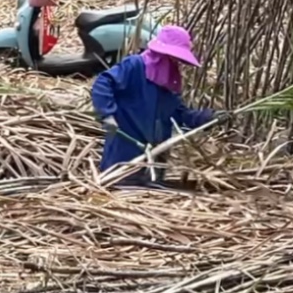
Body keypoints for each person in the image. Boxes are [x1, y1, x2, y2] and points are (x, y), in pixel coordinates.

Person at [90, 24, 218, 185]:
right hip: (125, 153)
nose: (174, 61)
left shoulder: (168, 83)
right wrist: (107, 114)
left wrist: (207, 118)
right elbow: (103, 83)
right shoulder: (134, 66)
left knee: (151, 193)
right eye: (172, 56)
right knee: (122, 194)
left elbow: (179, 115)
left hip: (155, 154)